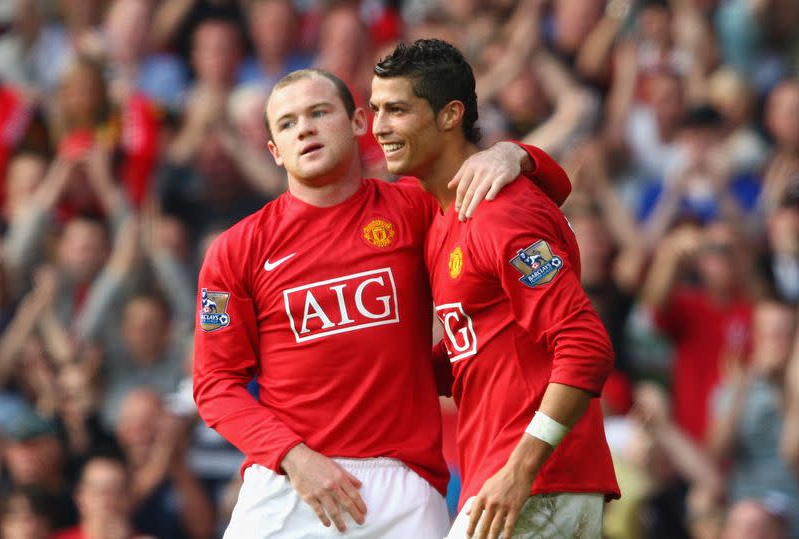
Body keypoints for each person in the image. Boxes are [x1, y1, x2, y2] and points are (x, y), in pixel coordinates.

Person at [193, 67, 568, 537]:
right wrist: (295, 458)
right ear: (274, 151)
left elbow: (543, 198)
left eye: (318, 112)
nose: (304, 128)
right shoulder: (236, 249)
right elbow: (214, 387)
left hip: (403, 484)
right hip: (288, 482)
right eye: (287, 124)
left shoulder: (414, 206)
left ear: (357, 123)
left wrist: (516, 155)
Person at [370, 39, 619, 539]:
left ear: (449, 115)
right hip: (514, 483)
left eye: (396, 110)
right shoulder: (446, 214)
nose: (379, 127)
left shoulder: (500, 213)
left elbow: (586, 345)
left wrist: (522, 469)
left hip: (533, 483)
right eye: (375, 110)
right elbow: (481, 347)